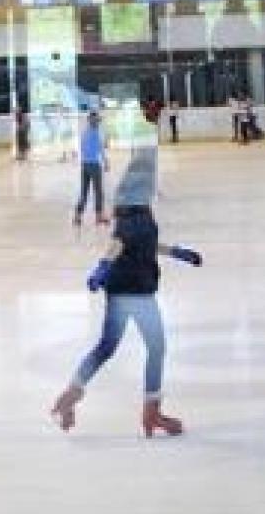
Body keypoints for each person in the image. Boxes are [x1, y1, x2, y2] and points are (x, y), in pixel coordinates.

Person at [50, 149, 203, 437]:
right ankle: (152, 412)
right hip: (136, 292)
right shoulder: (135, 214)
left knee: (107, 348)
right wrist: (102, 267)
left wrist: (177, 252)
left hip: (123, 290)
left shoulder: (136, 210)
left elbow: (142, 244)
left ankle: (71, 393)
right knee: (156, 348)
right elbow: (119, 244)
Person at [73, 112, 108, 228]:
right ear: (93, 121)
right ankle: (99, 216)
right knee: (98, 191)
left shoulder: (85, 133)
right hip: (94, 165)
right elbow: (101, 149)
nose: (98, 122)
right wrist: (106, 162)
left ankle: (77, 215)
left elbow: (82, 149)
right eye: (97, 121)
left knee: (84, 191)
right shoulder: (95, 133)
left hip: (84, 165)